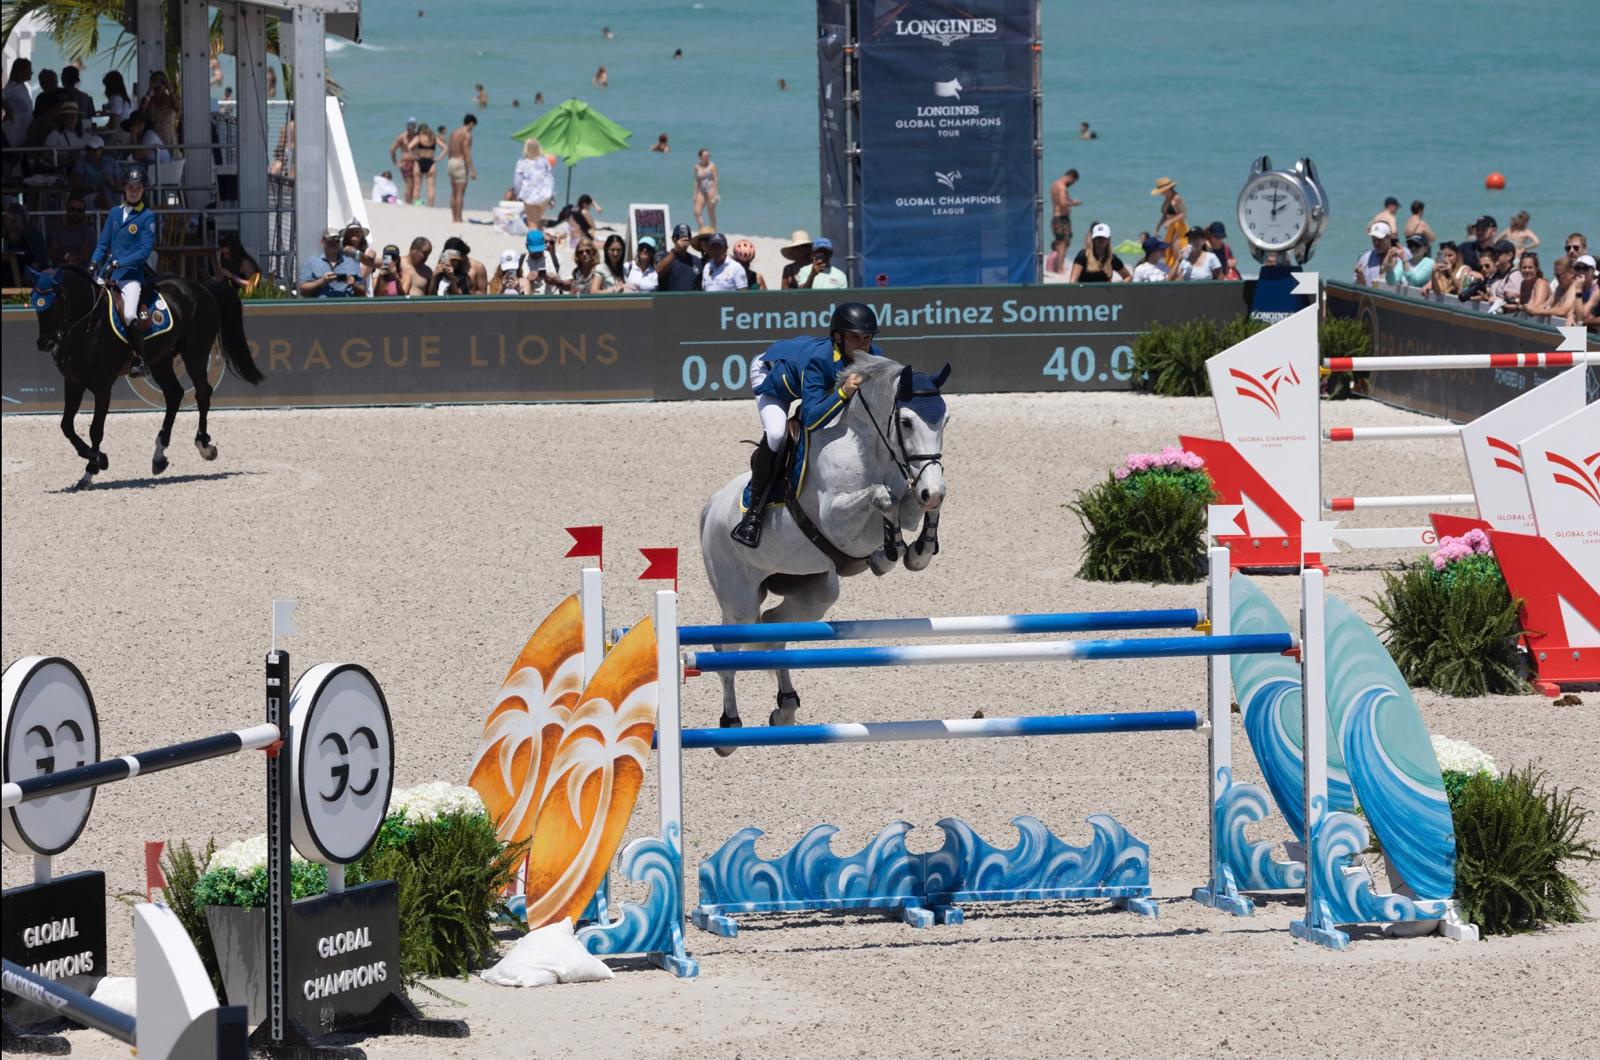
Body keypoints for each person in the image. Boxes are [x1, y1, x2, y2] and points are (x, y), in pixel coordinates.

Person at [731, 302, 884, 548]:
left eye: (867, 338)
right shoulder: (819, 361)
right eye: (856, 338)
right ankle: (754, 511)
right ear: (837, 337)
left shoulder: (872, 355)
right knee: (777, 433)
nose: (864, 345)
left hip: (806, 378)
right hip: (772, 376)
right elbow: (811, 418)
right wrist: (843, 393)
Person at [88, 166, 157, 369]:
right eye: (130, 187)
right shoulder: (114, 213)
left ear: (143, 190)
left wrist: (120, 262)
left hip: (131, 277)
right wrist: (93, 263)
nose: (133, 191)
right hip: (107, 273)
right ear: (124, 188)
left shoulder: (147, 217)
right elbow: (102, 243)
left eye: (138, 187)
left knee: (128, 315)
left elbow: (144, 252)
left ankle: (140, 359)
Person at [298, 226, 365, 298]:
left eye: (336, 240)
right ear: (322, 242)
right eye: (329, 239)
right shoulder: (312, 262)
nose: (333, 243)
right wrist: (322, 281)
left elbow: (363, 291)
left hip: (345, 306)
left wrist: (353, 284)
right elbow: (302, 289)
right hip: (321, 307)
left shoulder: (352, 262)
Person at [513, 138, 555, 228]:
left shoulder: (522, 163)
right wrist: (552, 195)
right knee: (538, 221)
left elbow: (518, 181)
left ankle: (534, 241)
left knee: (532, 223)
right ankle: (541, 241)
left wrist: (518, 194)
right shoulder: (545, 162)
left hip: (529, 195)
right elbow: (550, 179)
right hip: (545, 194)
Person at [49, 195, 97, 266]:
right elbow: (53, 253)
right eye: (72, 209)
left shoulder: (89, 233)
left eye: (79, 210)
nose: (75, 213)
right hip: (60, 270)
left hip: (81, 272)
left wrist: (66, 258)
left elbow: (84, 256)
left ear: (83, 213)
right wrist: (67, 257)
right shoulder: (58, 232)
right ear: (67, 211)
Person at [446, 114, 476, 222]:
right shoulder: (466, 135)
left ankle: (453, 217)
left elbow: (449, 149)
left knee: (453, 191)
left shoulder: (453, 133)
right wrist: (472, 170)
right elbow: (466, 153)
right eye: (473, 126)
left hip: (451, 161)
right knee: (460, 193)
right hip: (460, 162)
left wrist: (450, 161)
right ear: (471, 123)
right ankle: (458, 218)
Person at [656, 222, 703, 291]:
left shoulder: (696, 261)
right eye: (680, 237)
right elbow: (658, 271)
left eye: (687, 236)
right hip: (670, 301)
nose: (684, 239)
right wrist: (676, 251)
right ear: (673, 239)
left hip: (691, 301)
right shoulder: (664, 256)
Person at [1151, 177, 1186, 267]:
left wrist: (1170, 222)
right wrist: (1157, 227)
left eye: (1161, 190)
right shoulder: (1167, 197)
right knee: (1167, 252)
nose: (1161, 192)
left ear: (1167, 189)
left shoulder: (1177, 198)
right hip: (1170, 229)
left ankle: (1176, 274)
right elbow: (1165, 214)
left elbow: (1183, 214)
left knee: (1176, 254)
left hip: (1179, 229)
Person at [408, 120, 439, 207]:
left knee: (417, 186)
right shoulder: (433, 137)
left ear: (420, 130)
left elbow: (409, 147)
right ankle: (430, 206)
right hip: (431, 162)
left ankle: (417, 204)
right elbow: (445, 148)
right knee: (431, 187)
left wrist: (413, 156)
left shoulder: (418, 137)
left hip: (419, 161)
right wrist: (439, 158)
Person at [1354, 221, 1394, 285]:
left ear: (1389, 237)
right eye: (1374, 240)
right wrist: (1360, 278)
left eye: (1380, 240)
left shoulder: (1397, 257)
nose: (1376, 243)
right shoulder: (1365, 257)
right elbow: (1357, 287)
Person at [1049, 168, 1081, 247]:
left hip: (1056, 217)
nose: (1071, 184)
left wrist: (1070, 200)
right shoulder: (1062, 187)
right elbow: (1062, 203)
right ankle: (1060, 260)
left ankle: (1055, 259)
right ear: (1070, 177)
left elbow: (1058, 200)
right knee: (1064, 242)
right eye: (1073, 182)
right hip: (1062, 219)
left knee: (1059, 241)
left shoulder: (1055, 184)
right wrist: (1074, 203)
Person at [390, 118, 418, 204]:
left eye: (412, 125)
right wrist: (396, 162)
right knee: (409, 184)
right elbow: (392, 149)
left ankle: (412, 202)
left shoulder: (417, 136)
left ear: (415, 126)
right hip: (405, 162)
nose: (410, 127)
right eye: (409, 125)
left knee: (415, 184)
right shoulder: (402, 137)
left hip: (416, 163)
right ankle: (408, 203)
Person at [693, 148, 719, 229]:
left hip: (710, 189)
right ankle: (703, 229)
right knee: (697, 212)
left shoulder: (712, 166)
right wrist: (694, 194)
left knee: (710, 212)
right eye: (705, 155)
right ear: (700, 157)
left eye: (708, 155)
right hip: (701, 189)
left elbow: (715, 179)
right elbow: (696, 181)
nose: (707, 157)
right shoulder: (696, 167)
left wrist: (715, 193)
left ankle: (713, 230)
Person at [5, 59, 35, 129]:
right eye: (29, 69)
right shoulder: (11, 86)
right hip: (12, 132)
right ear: (21, 70)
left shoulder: (23, 87)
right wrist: (7, 109)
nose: (31, 72)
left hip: (23, 133)